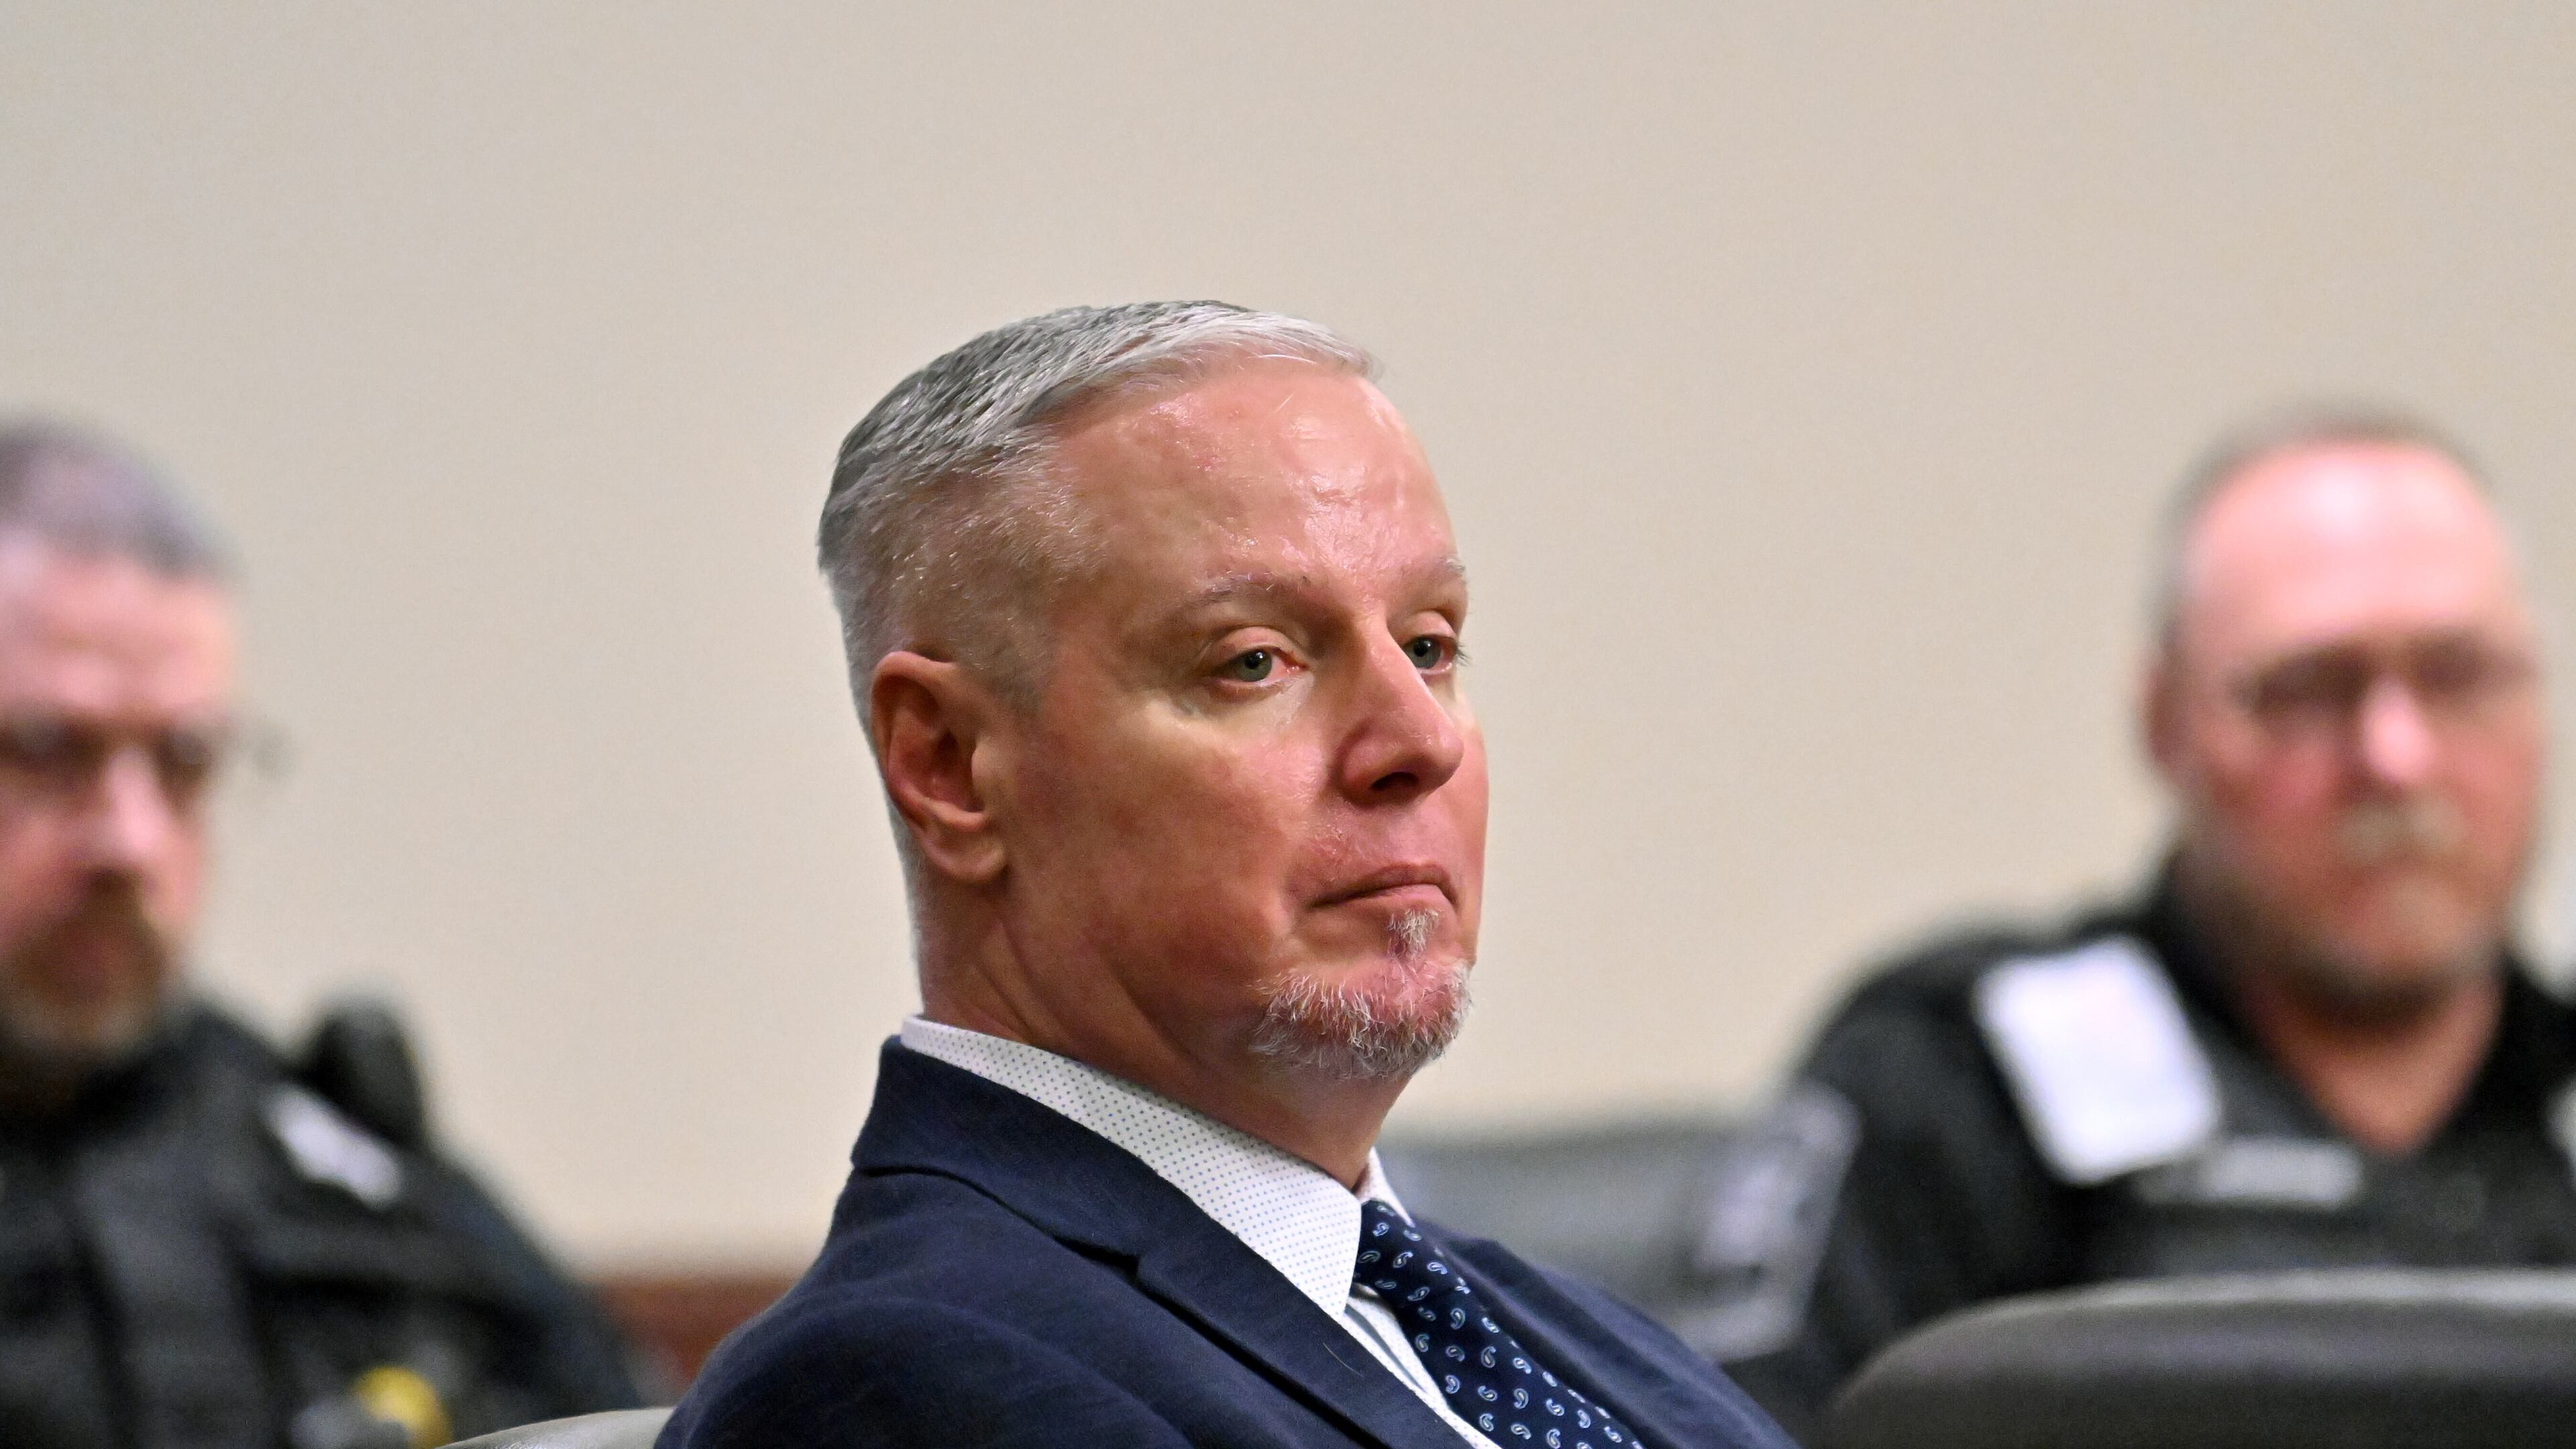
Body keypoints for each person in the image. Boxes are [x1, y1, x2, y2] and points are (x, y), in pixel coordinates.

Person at [660, 303, 1793, 1449]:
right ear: (952, 766)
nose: (1420, 740)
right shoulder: (902, 1383)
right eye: (1255, 662)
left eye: (1431, 646)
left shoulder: (1589, 1341)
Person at [1721, 407, 2575, 1437]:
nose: (2396, 759)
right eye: (2307, 689)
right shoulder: (1968, 1081)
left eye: (2458, 676)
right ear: (2166, 724)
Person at [0, 421, 641, 1449]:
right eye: (43, 749)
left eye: (184, 760)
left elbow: (614, 1414)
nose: (128, 839)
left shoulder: (325, 1150)